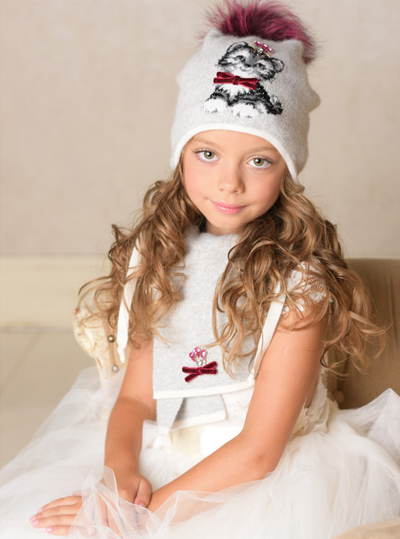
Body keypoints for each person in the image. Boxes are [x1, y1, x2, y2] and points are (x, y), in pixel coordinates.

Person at [1, 1, 399, 538]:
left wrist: (138, 520)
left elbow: (259, 451)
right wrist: (119, 478)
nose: (229, 182)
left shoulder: (299, 286)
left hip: (259, 480)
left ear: (287, 168)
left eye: (259, 160)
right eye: (208, 154)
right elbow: (136, 397)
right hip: (160, 457)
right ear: (181, 154)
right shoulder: (161, 257)